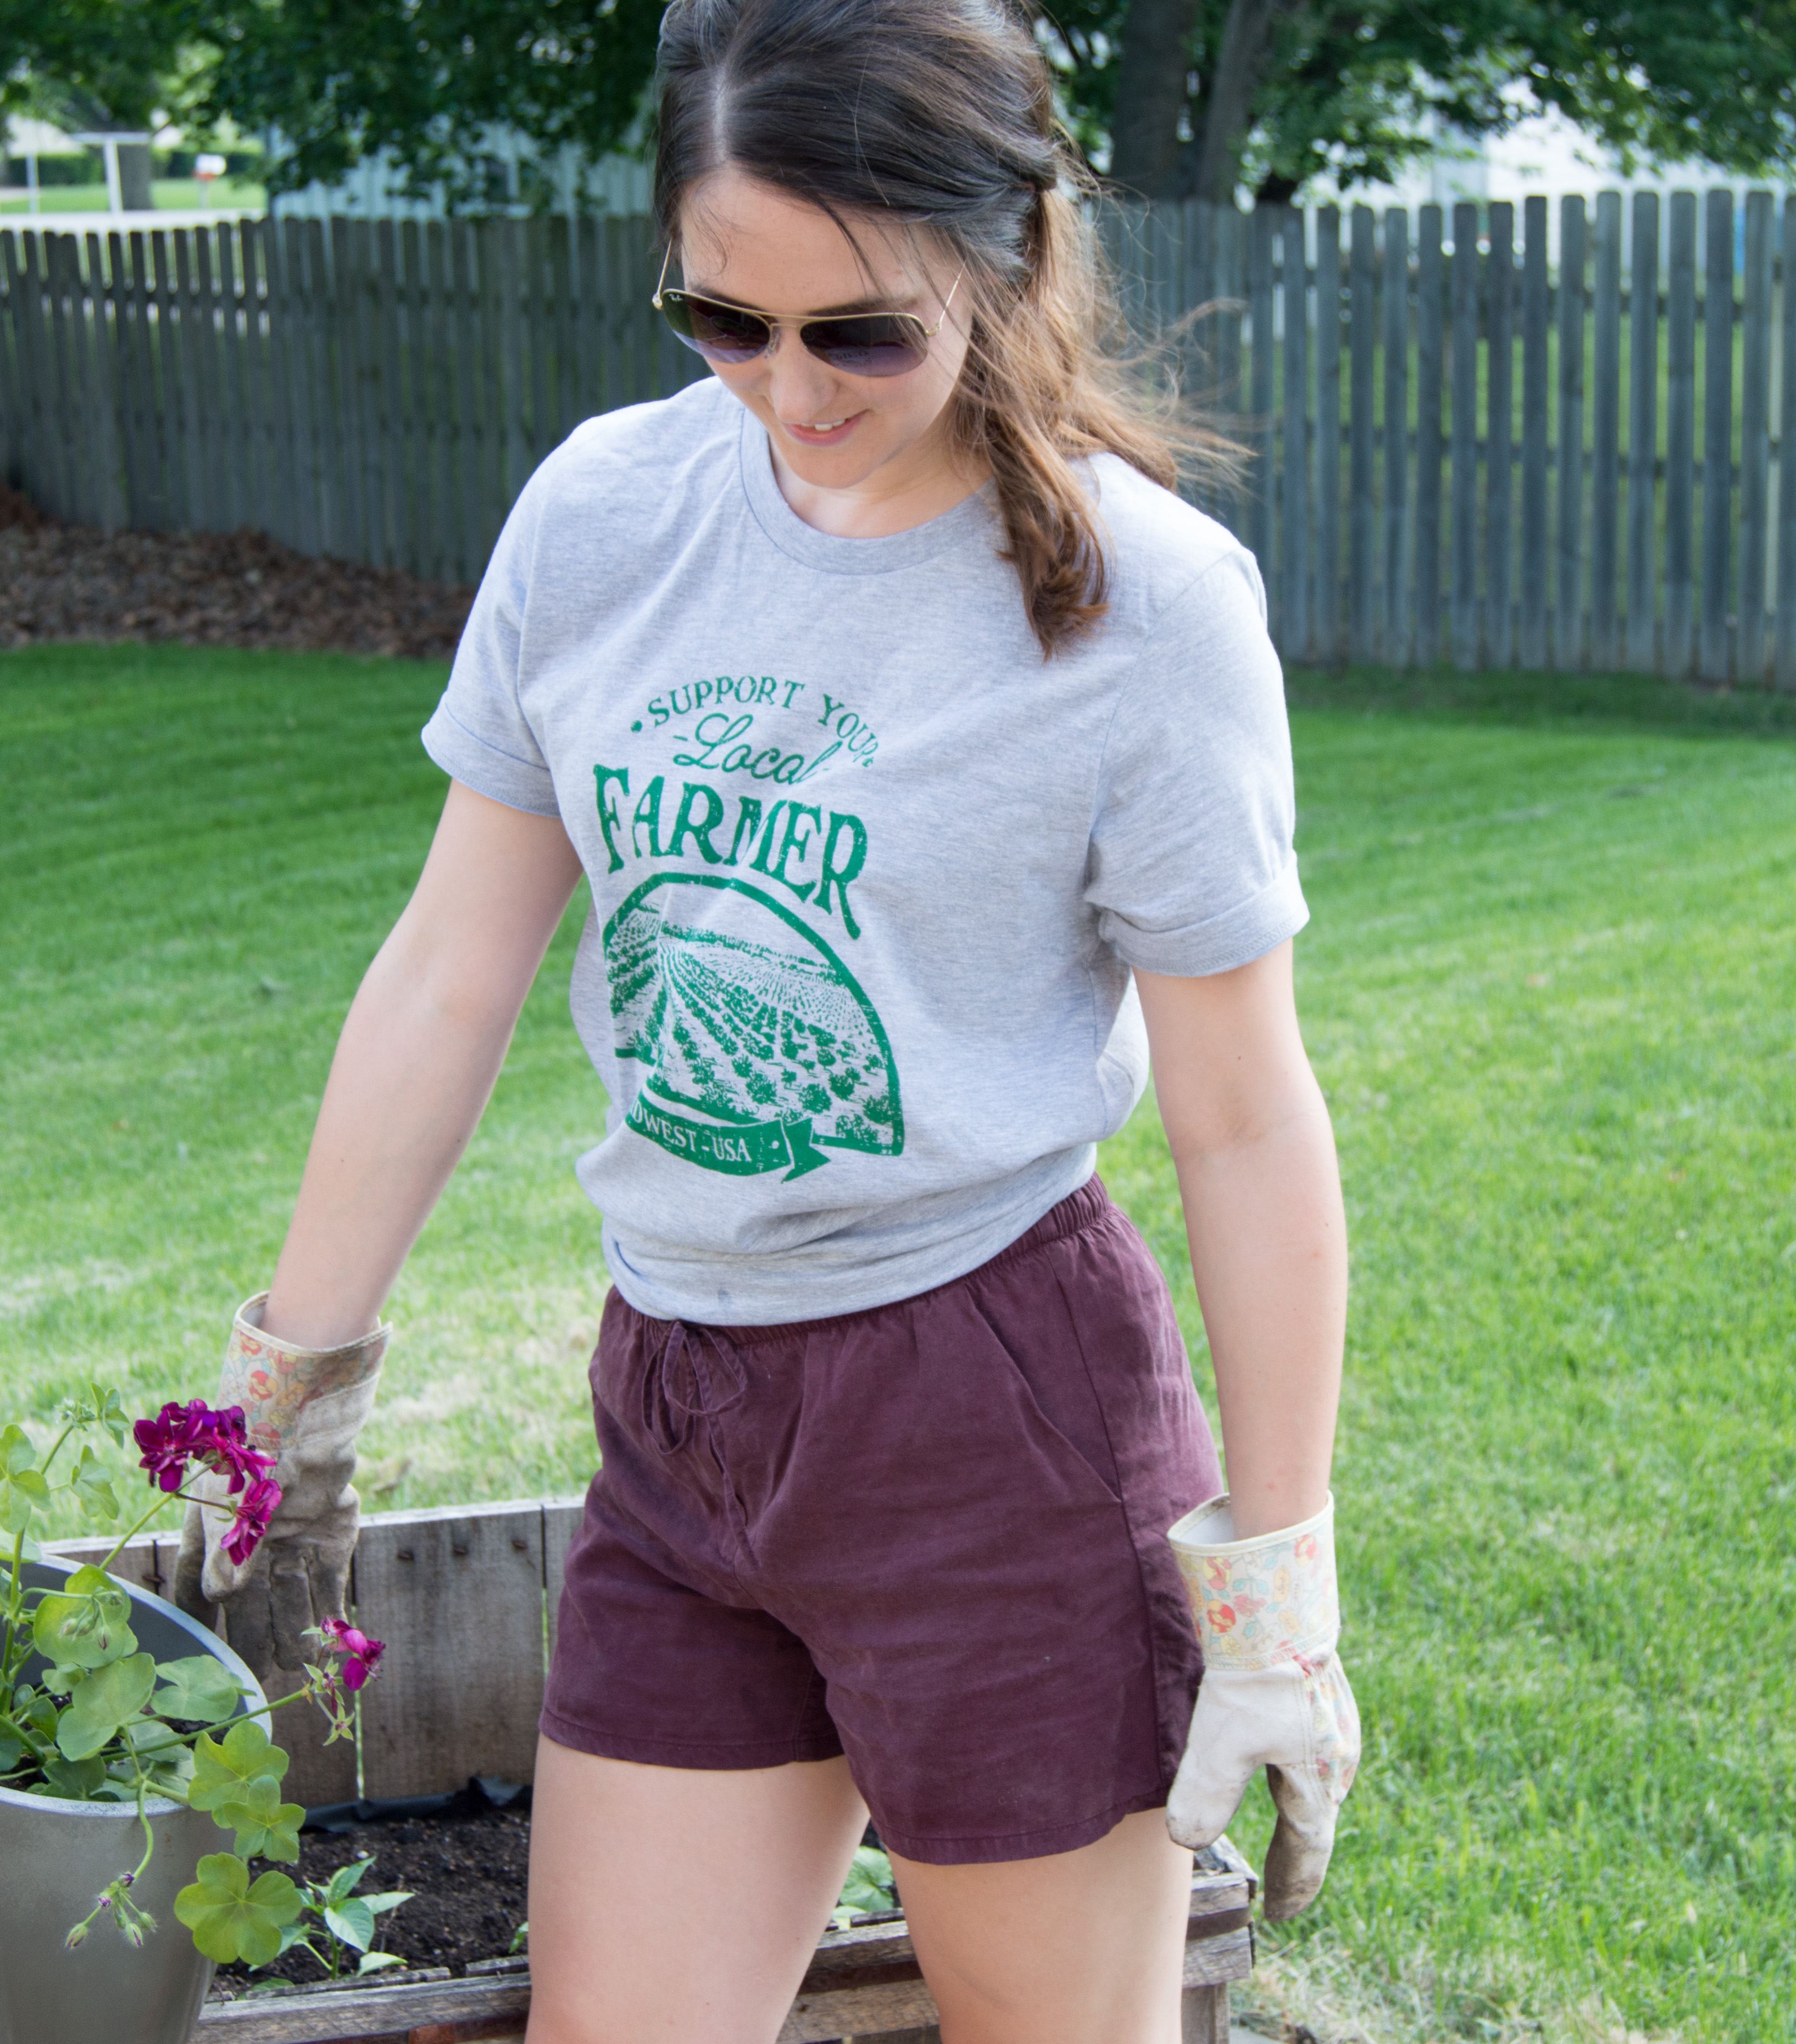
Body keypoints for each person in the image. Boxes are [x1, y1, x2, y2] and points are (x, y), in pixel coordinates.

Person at [173, 1, 1360, 2036]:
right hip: (683, 1398)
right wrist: (296, 1369)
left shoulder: (1145, 605)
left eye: (861, 334)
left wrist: (1277, 1571)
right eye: (725, 320)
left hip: (990, 1403)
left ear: (1008, 258)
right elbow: (453, 962)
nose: (788, 389)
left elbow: (1244, 1114)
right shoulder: (604, 517)